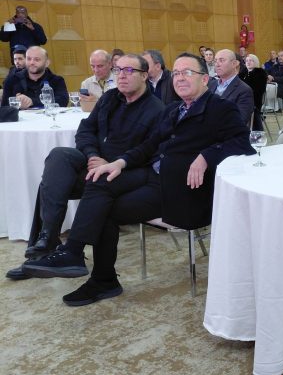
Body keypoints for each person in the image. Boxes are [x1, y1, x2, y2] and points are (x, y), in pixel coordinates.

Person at [22, 53, 254, 306]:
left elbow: (243, 143)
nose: (180, 78)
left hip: (184, 191)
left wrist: (206, 156)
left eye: (188, 73)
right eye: (176, 73)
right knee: (102, 182)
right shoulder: (173, 110)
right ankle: (82, 261)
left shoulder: (220, 108)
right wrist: (119, 163)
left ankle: (94, 272)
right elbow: (149, 146)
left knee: (105, 205)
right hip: (156, 179)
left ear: (205, 79)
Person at [6, 54, 165, 280]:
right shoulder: (110, 98)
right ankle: (47, 241)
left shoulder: (156, 109)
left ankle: (51, 253)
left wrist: (112, 163)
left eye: (129, 71)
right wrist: (92, 155)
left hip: (125, 171)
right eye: (118, 70)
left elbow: (148, 151)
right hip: (95, 162)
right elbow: (86, 130)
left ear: (144, 76)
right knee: (59, 158)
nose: (122, 75)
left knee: (51, 186)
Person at [1, 46, 68, 108]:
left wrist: (32, 102)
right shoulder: (12, 80)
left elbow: (63, 101)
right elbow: (4, 107)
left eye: (37, 59)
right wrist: (16, 102)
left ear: (47, 63)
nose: (32, 62)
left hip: (49, 116)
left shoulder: (57, 80)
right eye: (29, 59)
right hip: (21, 117)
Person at [212, 49, 254, 126]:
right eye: (215, 61)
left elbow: (239, 120)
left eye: (221, 60)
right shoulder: (210, 85)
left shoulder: (244, 90)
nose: (217, 64)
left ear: (234, 64)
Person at [241, 53, 268, 131]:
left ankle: (255, 131)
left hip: (255, 99)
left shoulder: (260, 73)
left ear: (255, 62)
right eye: (246, 61)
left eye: (251, 60)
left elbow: (258, 90)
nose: (248, 62)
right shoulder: (243, 72)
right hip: (243, 98)